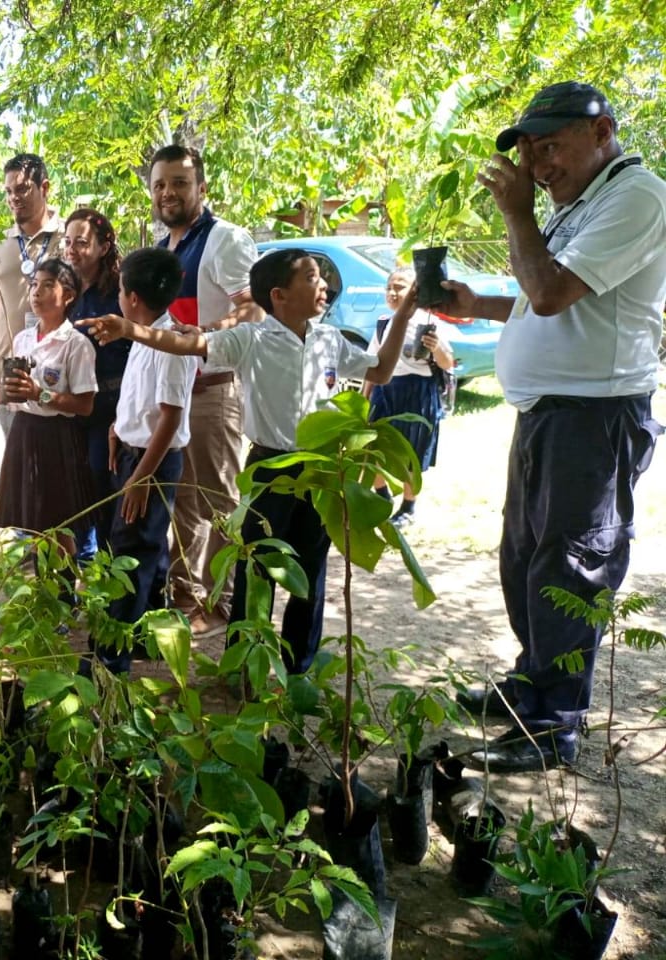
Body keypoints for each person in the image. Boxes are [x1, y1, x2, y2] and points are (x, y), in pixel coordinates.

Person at [446, 82, 666, 773]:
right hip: (550, 414)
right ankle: (531, 687)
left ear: (601, 133)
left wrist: (516, 213)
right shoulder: (580, 205)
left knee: (569, 569)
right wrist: (473, 300)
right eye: (531, 153)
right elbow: (549, 295)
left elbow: (549, 292)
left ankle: (552, 726)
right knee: (525, 557)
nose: (539, 167)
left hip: (593, 418)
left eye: (551, 147)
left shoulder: (637, 195)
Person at [83, 248, 413, 675]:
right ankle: (245, 669)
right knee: (256, 569)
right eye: (312, 278)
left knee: (310, 571)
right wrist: (131, 329)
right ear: (279, 295)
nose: (324, 287)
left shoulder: (330, 340)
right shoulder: (250, 339)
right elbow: (187, 343)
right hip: (269, 469)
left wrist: (404, 314)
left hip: (322, 471)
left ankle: (298, 669)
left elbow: (382, 370)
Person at [149, 144, 261, 637]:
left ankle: (222, 606)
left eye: (179, 182)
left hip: (214, 391)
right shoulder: (166, 246)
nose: (168, 192)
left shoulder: (225, 240)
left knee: (220, 501)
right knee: (183, 503)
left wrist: (207, 335)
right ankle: (186, 598)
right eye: (160, 185)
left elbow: (253, 309)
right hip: (176, 395)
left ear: (202, 188)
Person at [77, 246, 192, 674]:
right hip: (132, 453)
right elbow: (140, 399)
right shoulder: (144, 334)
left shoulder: (171, 343)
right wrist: (117, 430)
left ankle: (109, 662)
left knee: (129, 557)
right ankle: (146, 636)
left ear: (133, 299)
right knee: (146, 549)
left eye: (121, 290)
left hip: (152, 465)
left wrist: (142, 477)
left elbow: (170, 416)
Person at [0, 258, 97, 556]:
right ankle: (45, 595)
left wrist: (41, 394)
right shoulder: (23, 339)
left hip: (57, 437)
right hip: (24, 432)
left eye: (47, 286)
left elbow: (84, 405)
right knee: (32, 523)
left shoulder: (76, 344)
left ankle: (66, 598)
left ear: (67, 296)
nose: (36, 293)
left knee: (58, 525)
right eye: (33, 285)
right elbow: (16, 393)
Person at [0, 153, 65, 435]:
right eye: (9, 191)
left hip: (61, 373)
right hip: (12, 375)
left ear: (45, 188)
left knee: (62, 467)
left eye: (23, 189)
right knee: (18, 467)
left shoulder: (70, 237)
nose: (14, 197)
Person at [363, 266, 456, 527]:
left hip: (418, 393)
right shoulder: (384, 323)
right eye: (389, 287)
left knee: (412, 453)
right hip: (386, 390)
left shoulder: (431, 322)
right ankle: (382, 497)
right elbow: (373, 364)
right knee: (374, 449)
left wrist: (436, 347)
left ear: (415, 292)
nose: (392, 292)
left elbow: (448, 364)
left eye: (400, 287)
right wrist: (363, 400)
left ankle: (408, 507)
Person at [64, 208, 128, 560]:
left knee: (104, 493)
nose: (72, 250)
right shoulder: (64, 288)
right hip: (71, 406)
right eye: (68, 242)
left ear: (104, 247)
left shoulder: (119, 291)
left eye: (82, 243)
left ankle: (109, 578)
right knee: (73, 493)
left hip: (109, 408)